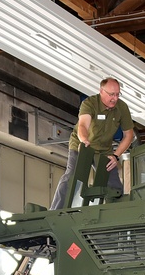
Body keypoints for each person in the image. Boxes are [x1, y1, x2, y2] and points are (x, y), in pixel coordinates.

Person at [50, 77, 135, 209]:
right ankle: (55, 210)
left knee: (114, 185)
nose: (115, 98)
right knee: (72, 177)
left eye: (118, 94)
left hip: (104, 150)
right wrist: (84, 140)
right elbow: (83, 125)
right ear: (101, 91)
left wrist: (116, 155)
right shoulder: (89, 103)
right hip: (82, 145)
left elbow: (129, 135)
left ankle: (118, 212)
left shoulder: (122, 108)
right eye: (111, 94)